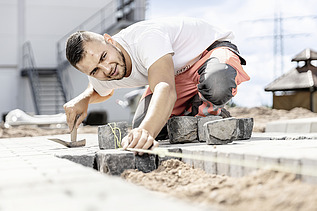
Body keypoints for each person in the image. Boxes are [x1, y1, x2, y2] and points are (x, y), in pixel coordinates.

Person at [63, 17, 250, 155]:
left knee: (216, 85)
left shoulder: (146, 38)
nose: (107, 69)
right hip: (175, 75)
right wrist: (84, 99)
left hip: (209, 53)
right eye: (95, 71)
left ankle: (210, 106)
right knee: (147, 125)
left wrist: (146, 132)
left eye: (104, 57)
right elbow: (98, 90)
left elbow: (165, 88)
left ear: (110, 40)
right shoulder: (100, 72)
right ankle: (196, 108)